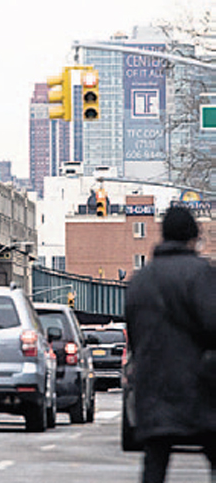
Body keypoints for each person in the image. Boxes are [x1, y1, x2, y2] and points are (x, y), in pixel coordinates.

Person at [125, 206, 216, 483]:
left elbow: (134, 335)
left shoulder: (140, 281)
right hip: (199, 387)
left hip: (153, 388)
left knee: (155, 462)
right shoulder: (202, 275)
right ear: (192, 237)